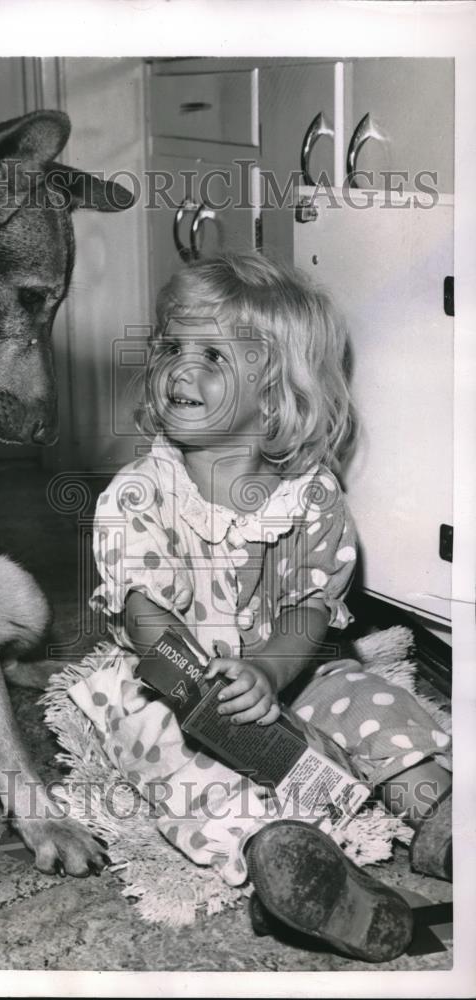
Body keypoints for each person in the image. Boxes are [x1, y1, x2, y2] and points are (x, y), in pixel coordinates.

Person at [69, 253, 451, 963]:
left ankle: (435, 806)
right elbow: (146, 617)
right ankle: (281, 857)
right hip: (176, 685)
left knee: (367, 695)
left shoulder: (309, 493)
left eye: (210, 354)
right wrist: (209, 689)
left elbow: (311, 605)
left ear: (272, 395)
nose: (179, 368)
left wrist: (272, 673)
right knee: (171, 761)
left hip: (287, 668)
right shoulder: (136, 493)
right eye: (169, 346)